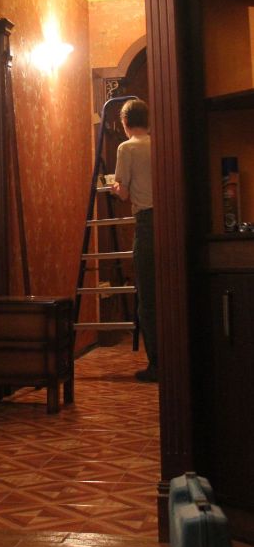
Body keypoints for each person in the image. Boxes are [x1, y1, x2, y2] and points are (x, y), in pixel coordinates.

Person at [111, 98, 158, 383]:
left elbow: (124, 192)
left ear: (125, 122)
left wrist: (114, 186)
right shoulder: (159, 143)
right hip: (169, 220)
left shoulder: (126, 148)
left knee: (148, 298)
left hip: (147, 222)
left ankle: (157, 364)